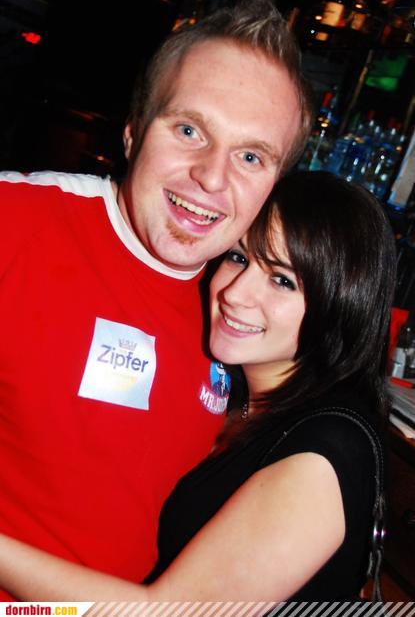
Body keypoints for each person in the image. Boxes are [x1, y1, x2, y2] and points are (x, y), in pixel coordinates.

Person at [0, 0, 313, 599]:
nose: (212, 177)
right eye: (190, 130)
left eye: (250, 156)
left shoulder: (250, 311)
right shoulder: (15, 223)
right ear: (133, 130)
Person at [0, 171, 397, 601]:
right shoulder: (239, 397)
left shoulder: (325, 452)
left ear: (342, 304)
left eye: (282, 280)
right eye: (239, 257)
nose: (235, 293)